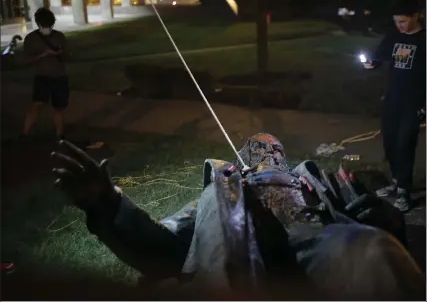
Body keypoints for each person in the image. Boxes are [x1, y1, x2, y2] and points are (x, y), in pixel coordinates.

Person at [51, 134, 425, 300]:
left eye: (272, 148)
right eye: (257, 149)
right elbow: (162, 247)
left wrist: (388, 221)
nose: (267, 151)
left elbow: (381, 228)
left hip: (315, 242)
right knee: (232, 268)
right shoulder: (224, 190)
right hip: (243, 244)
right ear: (245, 160)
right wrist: (106, 205)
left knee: (373, 249)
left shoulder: (314, 182)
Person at [362, 0, 426, 212]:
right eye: (397, 22)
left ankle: (404, 193)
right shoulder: (394, 35)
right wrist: (372, 63)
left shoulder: (423, 40)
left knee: (404, 144)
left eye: (403, 21)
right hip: (392, 99)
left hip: (414, 102)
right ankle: (397, 182)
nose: (400, 26)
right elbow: (380, 56)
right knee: (390, 142)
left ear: (416, 16)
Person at [21, 7, 70, 141]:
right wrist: (43, 55)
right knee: (36, 105)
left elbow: (67, 55)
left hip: (59, 76)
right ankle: (24, 134)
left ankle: (60, 135)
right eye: (44, 25)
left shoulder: (59, 36)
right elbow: (26, 60)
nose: (47, 28)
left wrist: (59, 54)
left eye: (49, 25)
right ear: (38, 24)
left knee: (58, 107)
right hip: (42, 77)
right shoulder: (31, 38)